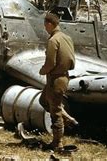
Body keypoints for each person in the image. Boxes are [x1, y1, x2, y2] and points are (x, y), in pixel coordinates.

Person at [38, 12, 77, 151]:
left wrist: (42, 70)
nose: (45, 28)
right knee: (43, 101)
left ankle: (57, 143)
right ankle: (68, 119)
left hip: (55, 79)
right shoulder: (67, 38)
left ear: (49, 24)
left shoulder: (53, 40)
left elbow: (50, 63)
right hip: (64, 77)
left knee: (55, 112)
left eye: (45, 25)